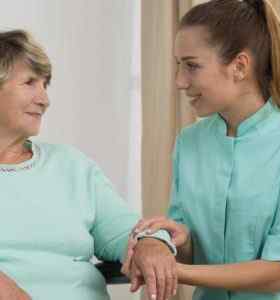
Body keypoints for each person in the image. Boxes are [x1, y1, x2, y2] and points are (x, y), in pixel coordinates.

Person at [124, 0, 280, 299]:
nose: (180, 81)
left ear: (240, 66)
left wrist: (172, 271)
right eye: (179, 66)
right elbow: (190, 245)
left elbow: (279, 271)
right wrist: (162, 241)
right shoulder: (189, 142)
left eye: (192, 66)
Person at [0, 29, 177, 300]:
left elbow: (125, 229)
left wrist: (150, 241)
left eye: (45, 85)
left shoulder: (71, 165)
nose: (44, 99)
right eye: (30, 82)